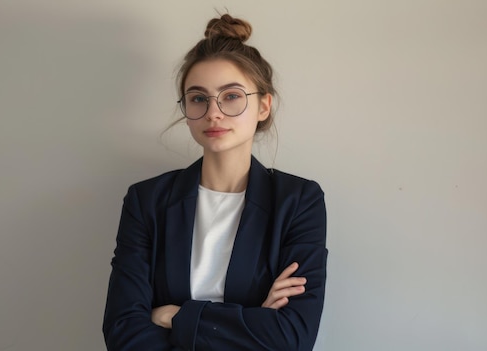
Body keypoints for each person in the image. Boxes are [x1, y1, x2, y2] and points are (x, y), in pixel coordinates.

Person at [103, 13, 327, 351]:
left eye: (232, 96)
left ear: (263, 105)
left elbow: (292, 337)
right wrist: (251, 322)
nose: (213, 112)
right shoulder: (146, 200)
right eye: (198, 98)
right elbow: (123, 332)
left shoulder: (298, 201)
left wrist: (174, 317)